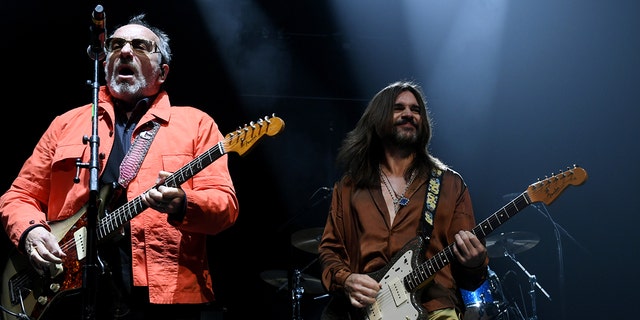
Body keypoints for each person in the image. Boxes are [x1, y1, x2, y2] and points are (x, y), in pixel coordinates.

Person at [0, 13, 239, 320]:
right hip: (67, 294)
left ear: (162, 72)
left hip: (162, 298)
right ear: (104, 63)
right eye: (115, 45)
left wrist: (183, 203)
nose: (126, 51)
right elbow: (19, 195)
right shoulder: (66, 124)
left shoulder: (196, 124)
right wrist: (31, 232)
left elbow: (225, 206)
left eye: (140, 46)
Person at [318, 80, 489, 320]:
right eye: (399, 108)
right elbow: (330, 251)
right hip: (365, 312)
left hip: (434, 310)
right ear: (378, 118)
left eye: (415, 110)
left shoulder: (450, 185)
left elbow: (470, 279)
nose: (409, 114)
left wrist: (475, 262)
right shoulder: (349, 187)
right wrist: (346, 280)